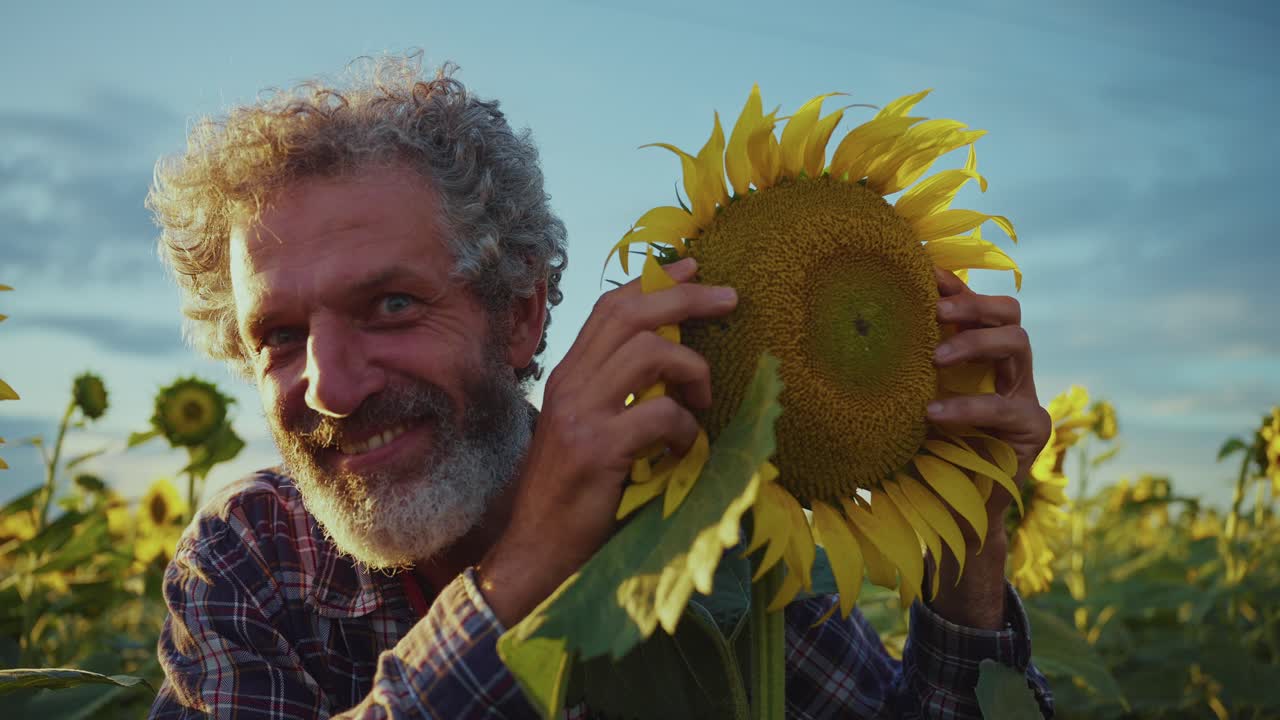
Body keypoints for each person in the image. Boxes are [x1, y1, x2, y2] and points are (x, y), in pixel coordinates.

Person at [146, 54, 1054, 719]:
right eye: (279, 335)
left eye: (390, 304)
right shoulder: (256, 560)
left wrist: (967, 557)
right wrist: (524, 573)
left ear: (523, 315)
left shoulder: (699, 541)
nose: (331, 387)